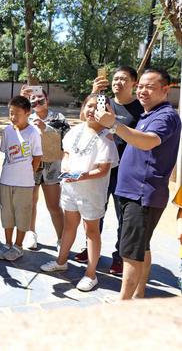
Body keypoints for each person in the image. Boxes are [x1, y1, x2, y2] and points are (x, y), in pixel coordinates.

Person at [95, 68, 181, 300]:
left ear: (165, 89)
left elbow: (148, 142)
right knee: (141, 247)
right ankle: (139, 295)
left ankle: (124, 305)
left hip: (141, 194)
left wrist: (115, 125)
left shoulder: (166, 116)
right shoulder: (147, 115)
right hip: (132, 192)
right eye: (141, 86)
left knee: (130, 253)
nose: (142, 91)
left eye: (149, 87)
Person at [41, 94, 119, 291]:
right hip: (70, 188)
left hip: (91, 192)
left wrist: (80, 176)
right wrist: (67, 169)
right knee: (69, 226)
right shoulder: (75, 131)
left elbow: (102, 169)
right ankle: (61, 261)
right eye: (89, 106)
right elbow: (66, 155)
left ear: (107, 112)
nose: (92, 110)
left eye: (97, 107)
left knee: (91, 231)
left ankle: (91, 274)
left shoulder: (107, 137)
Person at [74, 66, 144, 275]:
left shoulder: (139, 108)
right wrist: (94, 93)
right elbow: (84, 120)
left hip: (126, 170)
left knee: (124, 216)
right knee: (95, 211)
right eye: (115, 79)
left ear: (134, 83)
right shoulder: (104, 102)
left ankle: (120, 257)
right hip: (101, 167)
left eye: (123, 79)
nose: (117, 82)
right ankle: (91, 248)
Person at [20, 86, 68, 250]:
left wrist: (45, 128)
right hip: (31, 165)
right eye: (33, 100)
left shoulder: (58, 117)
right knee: (30, 203)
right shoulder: (27, 117)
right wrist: (21, 100)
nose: (37, 102)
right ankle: (30, 233)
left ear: (48, 100)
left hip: (52, 166)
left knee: (54, 205)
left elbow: (65, 137)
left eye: (41, 99)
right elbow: (16, 128)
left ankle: (62, 239)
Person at [0, 96, 42, 261]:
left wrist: (28, 173)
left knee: (22, 214)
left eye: (17, 113)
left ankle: (18, 245)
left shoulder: (33, 133)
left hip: (25, 183)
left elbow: (37, 158)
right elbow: (5, 152)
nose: (13, 117)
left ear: (28, 113)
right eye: (11, 113)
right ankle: (7, 243)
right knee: (6, 213)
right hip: (6, 180)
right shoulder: (7, 131)